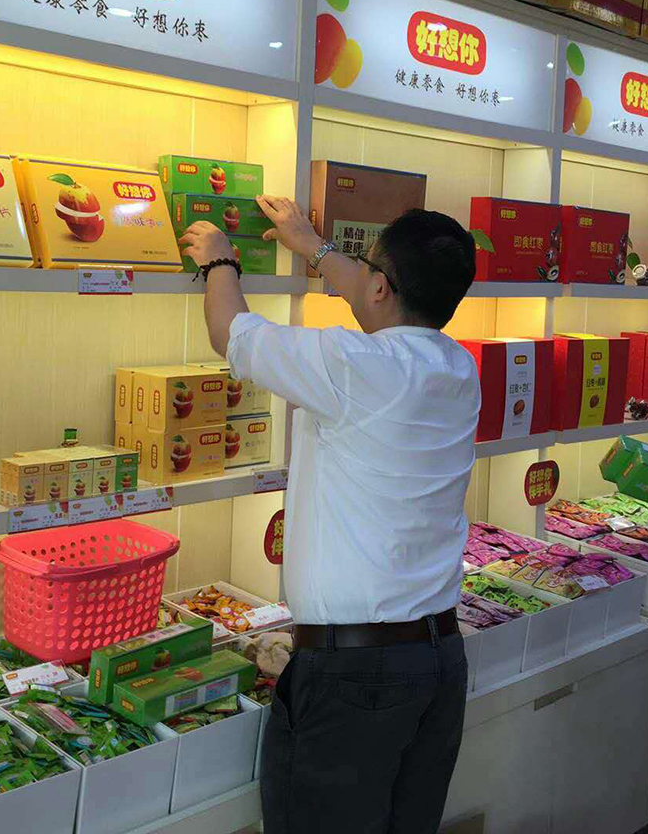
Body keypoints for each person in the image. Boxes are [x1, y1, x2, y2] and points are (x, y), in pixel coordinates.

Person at [180, 196, 480, 834]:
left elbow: (230, 333)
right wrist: (311, 246)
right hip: (438, 659)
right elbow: (373, 294)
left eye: (366, 269)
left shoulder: (354, 365)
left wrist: (220, 262)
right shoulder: (457, 366)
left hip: (355, 679)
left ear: (380, 286)